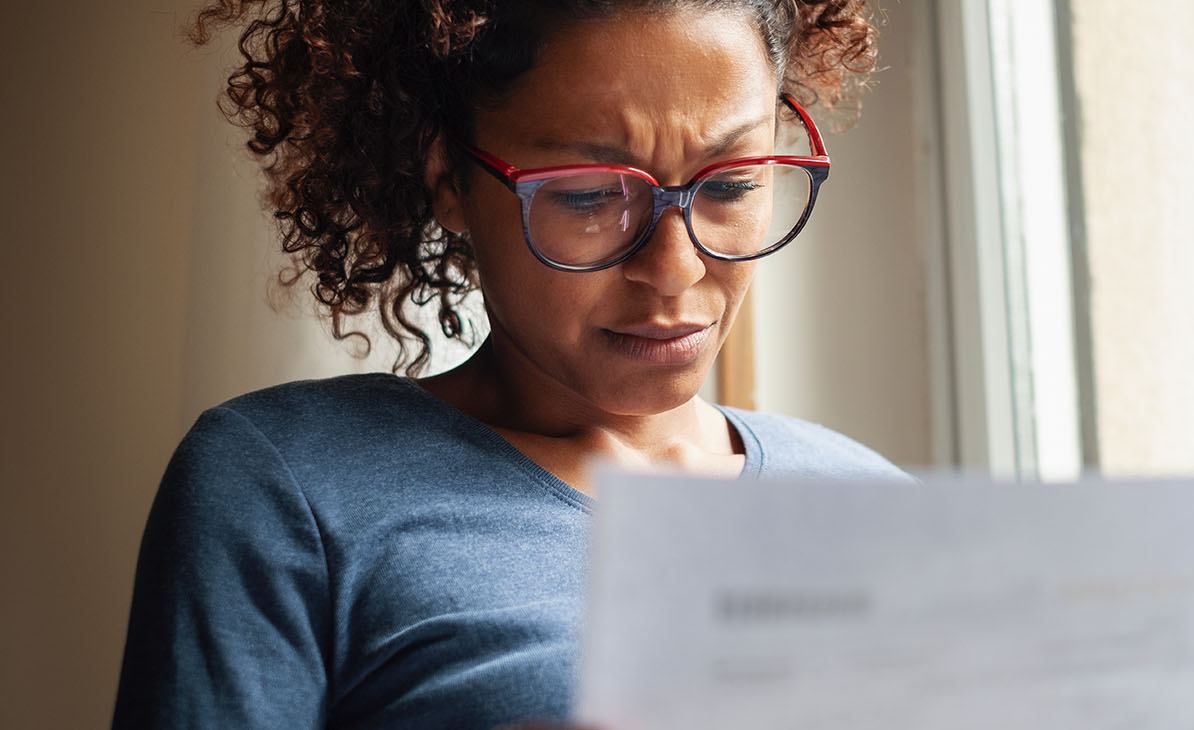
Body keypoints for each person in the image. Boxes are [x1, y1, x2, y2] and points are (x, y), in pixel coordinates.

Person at [112, 1, 901, 728]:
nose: (675, 270)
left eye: (731, 184)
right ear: (450, 181)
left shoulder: (873, 506)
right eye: (591, 195)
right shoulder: (289, 485)